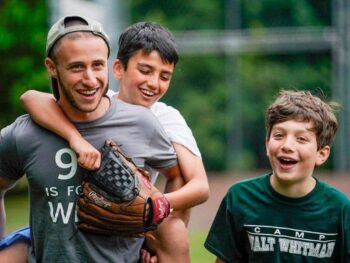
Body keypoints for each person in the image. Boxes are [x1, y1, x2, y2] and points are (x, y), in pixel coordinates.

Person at [0, 15, 206, 263]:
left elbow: (190, 180)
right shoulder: (37, 124)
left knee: (175, 233)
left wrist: (154, 219)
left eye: (97, 65)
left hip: (128, 236)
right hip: (49, 240)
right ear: (52, 67)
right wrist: (74, 138)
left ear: (107, 66)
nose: (89, 79)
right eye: (76, 66)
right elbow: (32, 97)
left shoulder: (155, 119)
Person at [204, 90, 350, 262]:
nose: (287, 145)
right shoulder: (239, 197)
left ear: (321, 154)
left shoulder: (340, 208)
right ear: (267, 144)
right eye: (279, 135)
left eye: (301, 139)